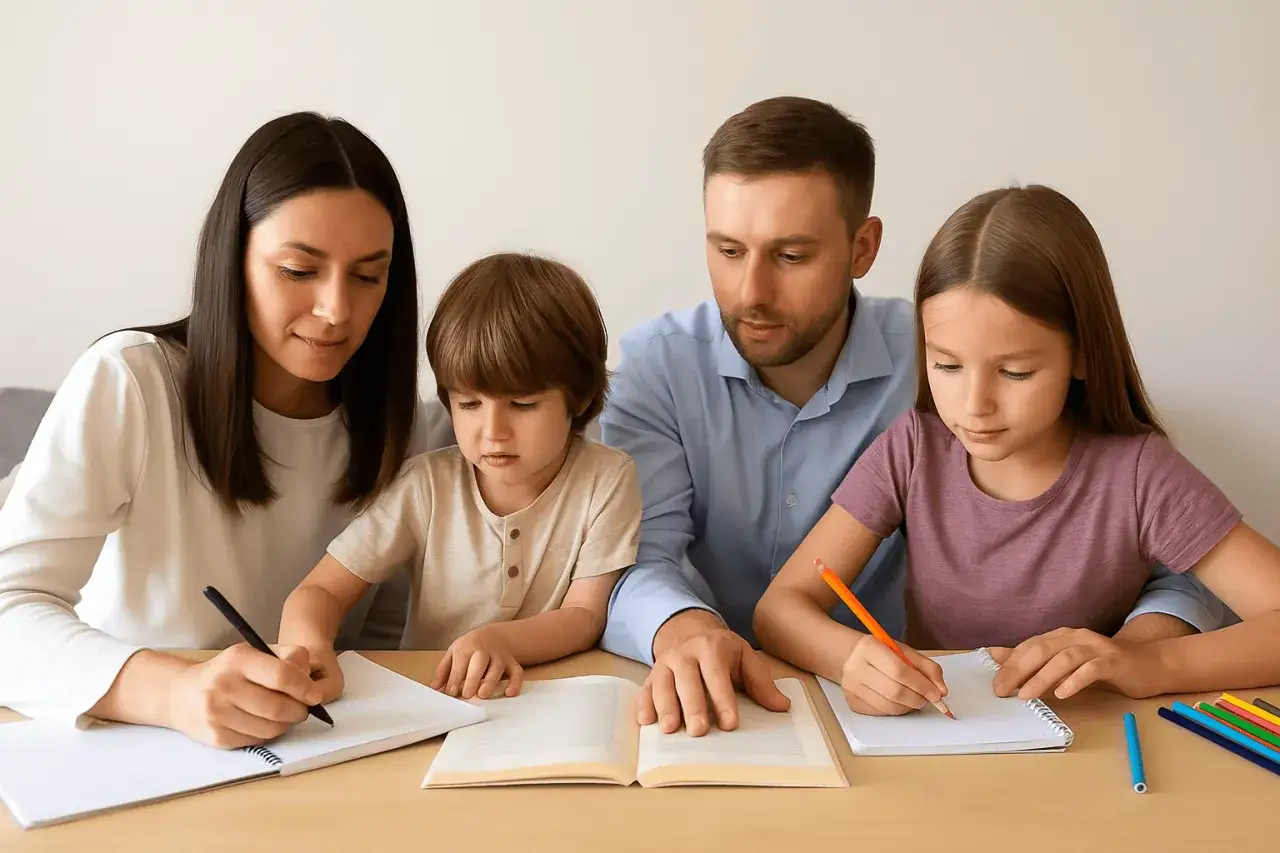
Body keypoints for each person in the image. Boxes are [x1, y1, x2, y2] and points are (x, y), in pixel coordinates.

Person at [599, 96, 1222, 737]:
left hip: (914, 717)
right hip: (714, 709)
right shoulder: (657, 368)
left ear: (863, 248)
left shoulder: (950, 354)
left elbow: (1176, 570)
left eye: (791, 256)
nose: (751, 292)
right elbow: (627, 559)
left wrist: (1138, 653)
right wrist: (685, 629)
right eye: (729, 250)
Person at [0, 112, 451, 749]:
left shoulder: (396, 425)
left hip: (306, 752)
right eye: (298, 270)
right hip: (128, 745)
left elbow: (385, 638)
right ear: (232, 260)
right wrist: (176, 692)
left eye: (367, 276)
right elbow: (9, 611)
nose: (336, 310)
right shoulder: (132, 380)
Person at [753, 184, 1280, 714]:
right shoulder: (914, 447)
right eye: (947, 365)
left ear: (1082, 354)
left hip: (1090, 741)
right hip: (941, 734)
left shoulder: (1140, 472)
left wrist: (1148, 664)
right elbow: (779, 609)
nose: (974, 405)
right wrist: (849, 658)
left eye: (1015, 372)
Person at [279, 253, 641, 702]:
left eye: (523, 405)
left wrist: (499, 641)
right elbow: (320, 590)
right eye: (469, 404)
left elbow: (585, 615)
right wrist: (307, 646)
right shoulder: (427, 485)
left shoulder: (607, 478)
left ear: (579, 397)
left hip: (551, 699)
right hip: (433, 698)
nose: (493, 432)